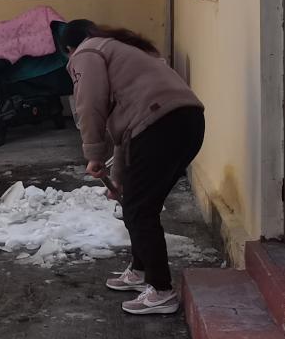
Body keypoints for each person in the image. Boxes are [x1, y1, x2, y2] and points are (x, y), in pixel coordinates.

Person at [62, 20, 205, 316]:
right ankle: (140, 271)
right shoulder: (121, 48)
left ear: (69, 48)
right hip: (186, 122)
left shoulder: (87, 53)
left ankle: (161, 290)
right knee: (138, 205)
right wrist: (118, 179)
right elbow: (125, 133)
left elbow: (89, 105)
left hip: (160, 126)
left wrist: (93, 154)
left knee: (140, 210)